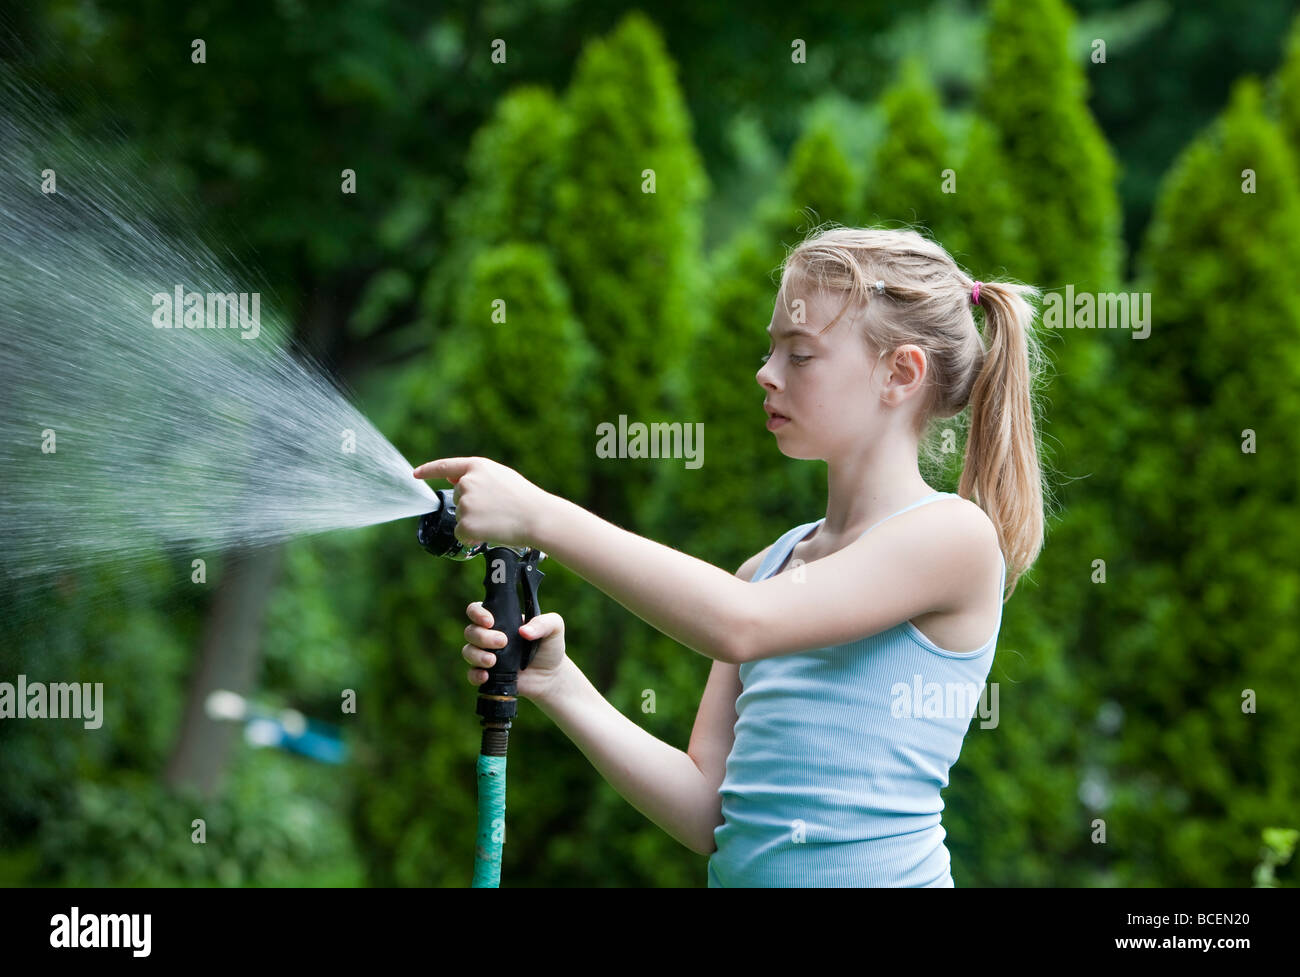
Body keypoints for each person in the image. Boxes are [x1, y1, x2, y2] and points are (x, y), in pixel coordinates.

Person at [414, 224, 1048, 887]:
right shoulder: (767, 569)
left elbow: (739, 621)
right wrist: (559, 683)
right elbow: (707, 810)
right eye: (772, 348)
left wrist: (539, 515)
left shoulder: (953, 537)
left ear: (901, 372)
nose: (765, 372)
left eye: (800, 354)